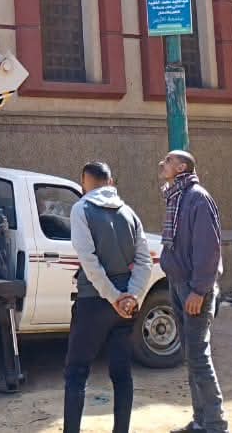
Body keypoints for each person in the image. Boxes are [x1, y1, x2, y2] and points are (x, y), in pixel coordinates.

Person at [64, 161, 152, 433]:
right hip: (124, 308)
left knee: (77, 373)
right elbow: (145, 261)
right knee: (122, 373)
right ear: (110, 181)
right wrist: (131, 296)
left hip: (94, 302)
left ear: (84, 182)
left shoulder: (81, 209)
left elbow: (88, 261)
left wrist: (113, 296)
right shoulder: (129, 212)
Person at [158, 149, 228, 433]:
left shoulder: (197, 198)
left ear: (183, 166)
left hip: (194, 288)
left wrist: (199, 290)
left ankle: (215, 423)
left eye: (169, 160)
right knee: (190, 356)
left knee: (199, 357)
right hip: (179, 284)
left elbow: (208, 249)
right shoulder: (177, 197)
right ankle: (201, 420)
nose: (162, 164)